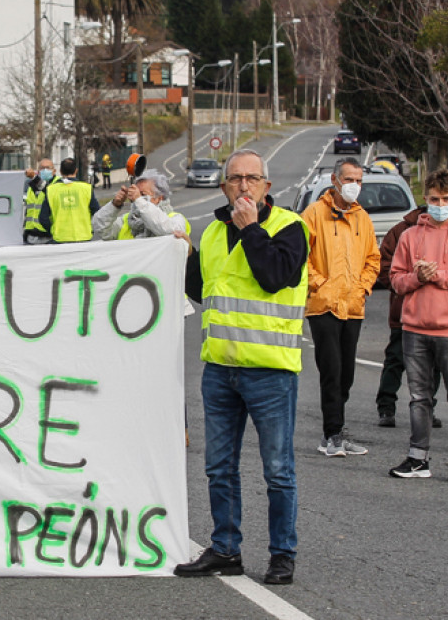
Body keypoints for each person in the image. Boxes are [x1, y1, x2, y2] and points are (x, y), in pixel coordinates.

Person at [174, 149, 308, 585]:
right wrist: (182, 253)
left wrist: (251, 230)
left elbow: (275, 276)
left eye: (253, 178)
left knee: (277, 469)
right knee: (219, 467)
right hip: (220, 369)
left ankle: (281, 554)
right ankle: (225, 549)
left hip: (269, 370)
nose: (244, 186)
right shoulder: (213, 231)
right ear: (224, 185)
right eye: (235, 178)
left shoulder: (290, 227)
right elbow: (199, 289)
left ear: (267, 187)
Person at [389, 169, 448, 483]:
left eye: (445, 199)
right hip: (415, 327)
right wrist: (417, 277)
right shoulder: (410, 235)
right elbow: (395, 280)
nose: (439, 204)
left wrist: (438, 275)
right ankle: (418, 458)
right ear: (425, 199)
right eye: (433, 199)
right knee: (419, 397)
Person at [301, 157, 380, 457]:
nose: (354, 186)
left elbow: (373, 258)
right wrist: (319, 283)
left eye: (358, 180)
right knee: (331, 371)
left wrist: (363, 287)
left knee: (347, 373)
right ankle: (331, 434)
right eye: (348, 179)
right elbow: (301, 255)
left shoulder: (363, 218)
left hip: (353, 306)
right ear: (334, 180)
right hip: (323, 306)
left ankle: (337, 428)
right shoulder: (314, 214)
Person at [374, 205, 445, 429]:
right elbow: (384, 266)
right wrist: (402, 286)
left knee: (434, 364)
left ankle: (427, 407)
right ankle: (386, 407)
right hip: (404, 310)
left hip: (437, 312)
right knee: (396, 359)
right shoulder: (401, 232)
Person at [91, 169, 189, 241]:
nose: (136, 198)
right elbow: (100, 228)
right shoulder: (128, 220)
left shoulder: (175, 219)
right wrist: (114, 205)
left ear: (159, 197)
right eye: (136, 193)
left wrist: (139, 200)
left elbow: (164, 229)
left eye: (143, 194)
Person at [38, 157, 100, 243]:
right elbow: (98, 213)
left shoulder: (51, 190)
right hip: (83, 237)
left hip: (60, 238)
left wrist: (52, 229)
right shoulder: (87, 188)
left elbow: (43, 218)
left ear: (60, 171)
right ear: (76, 170)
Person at [23, 158, 59, 245]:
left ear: (54, 171)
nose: (45, 170)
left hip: (48, 236)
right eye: (42, 168)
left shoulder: (57, 184)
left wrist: (34, 178)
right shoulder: (31, 187)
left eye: (48, 168)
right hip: (30, 235)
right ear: (38, 171)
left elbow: (47, 190)